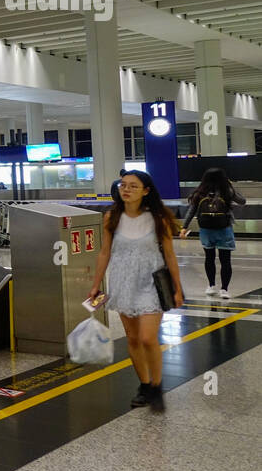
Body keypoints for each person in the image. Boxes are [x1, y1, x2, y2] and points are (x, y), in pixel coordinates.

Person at [87, 170, 184, 411]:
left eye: (133, 186)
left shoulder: (158, 218)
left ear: (146, 191)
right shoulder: (112, 217)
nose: (126, 189)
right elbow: (104, 252)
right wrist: (96, 284)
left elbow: (170, 255)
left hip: (151, 282)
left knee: (147, 338)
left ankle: (157, 385)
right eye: (123, 185)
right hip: (123, 281)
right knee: (132, 338)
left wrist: (178, 289)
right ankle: (145, 385)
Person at [179, 167, 246, 299]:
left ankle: (211, 286)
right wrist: (231, 186)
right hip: (224, 229)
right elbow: (242, 201)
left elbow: (192, 211)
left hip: (206, 230)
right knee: (225, 260)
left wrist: (184, 227)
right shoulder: (226, 191)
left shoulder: (200, 192)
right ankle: (224, 289)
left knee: (209, 258)